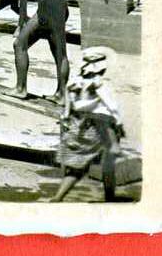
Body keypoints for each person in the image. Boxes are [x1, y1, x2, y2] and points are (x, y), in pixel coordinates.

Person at [51, 49, 124, 202]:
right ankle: (110, 197)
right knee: (109, 161)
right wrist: (118, 125)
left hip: (77, 126)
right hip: (98, 127)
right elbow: (109, 109)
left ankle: (58, 197)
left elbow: (67, 107)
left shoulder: (74, 82)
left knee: (77, 168)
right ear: (102, 67)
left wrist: (66, 120)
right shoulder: (100, 84)